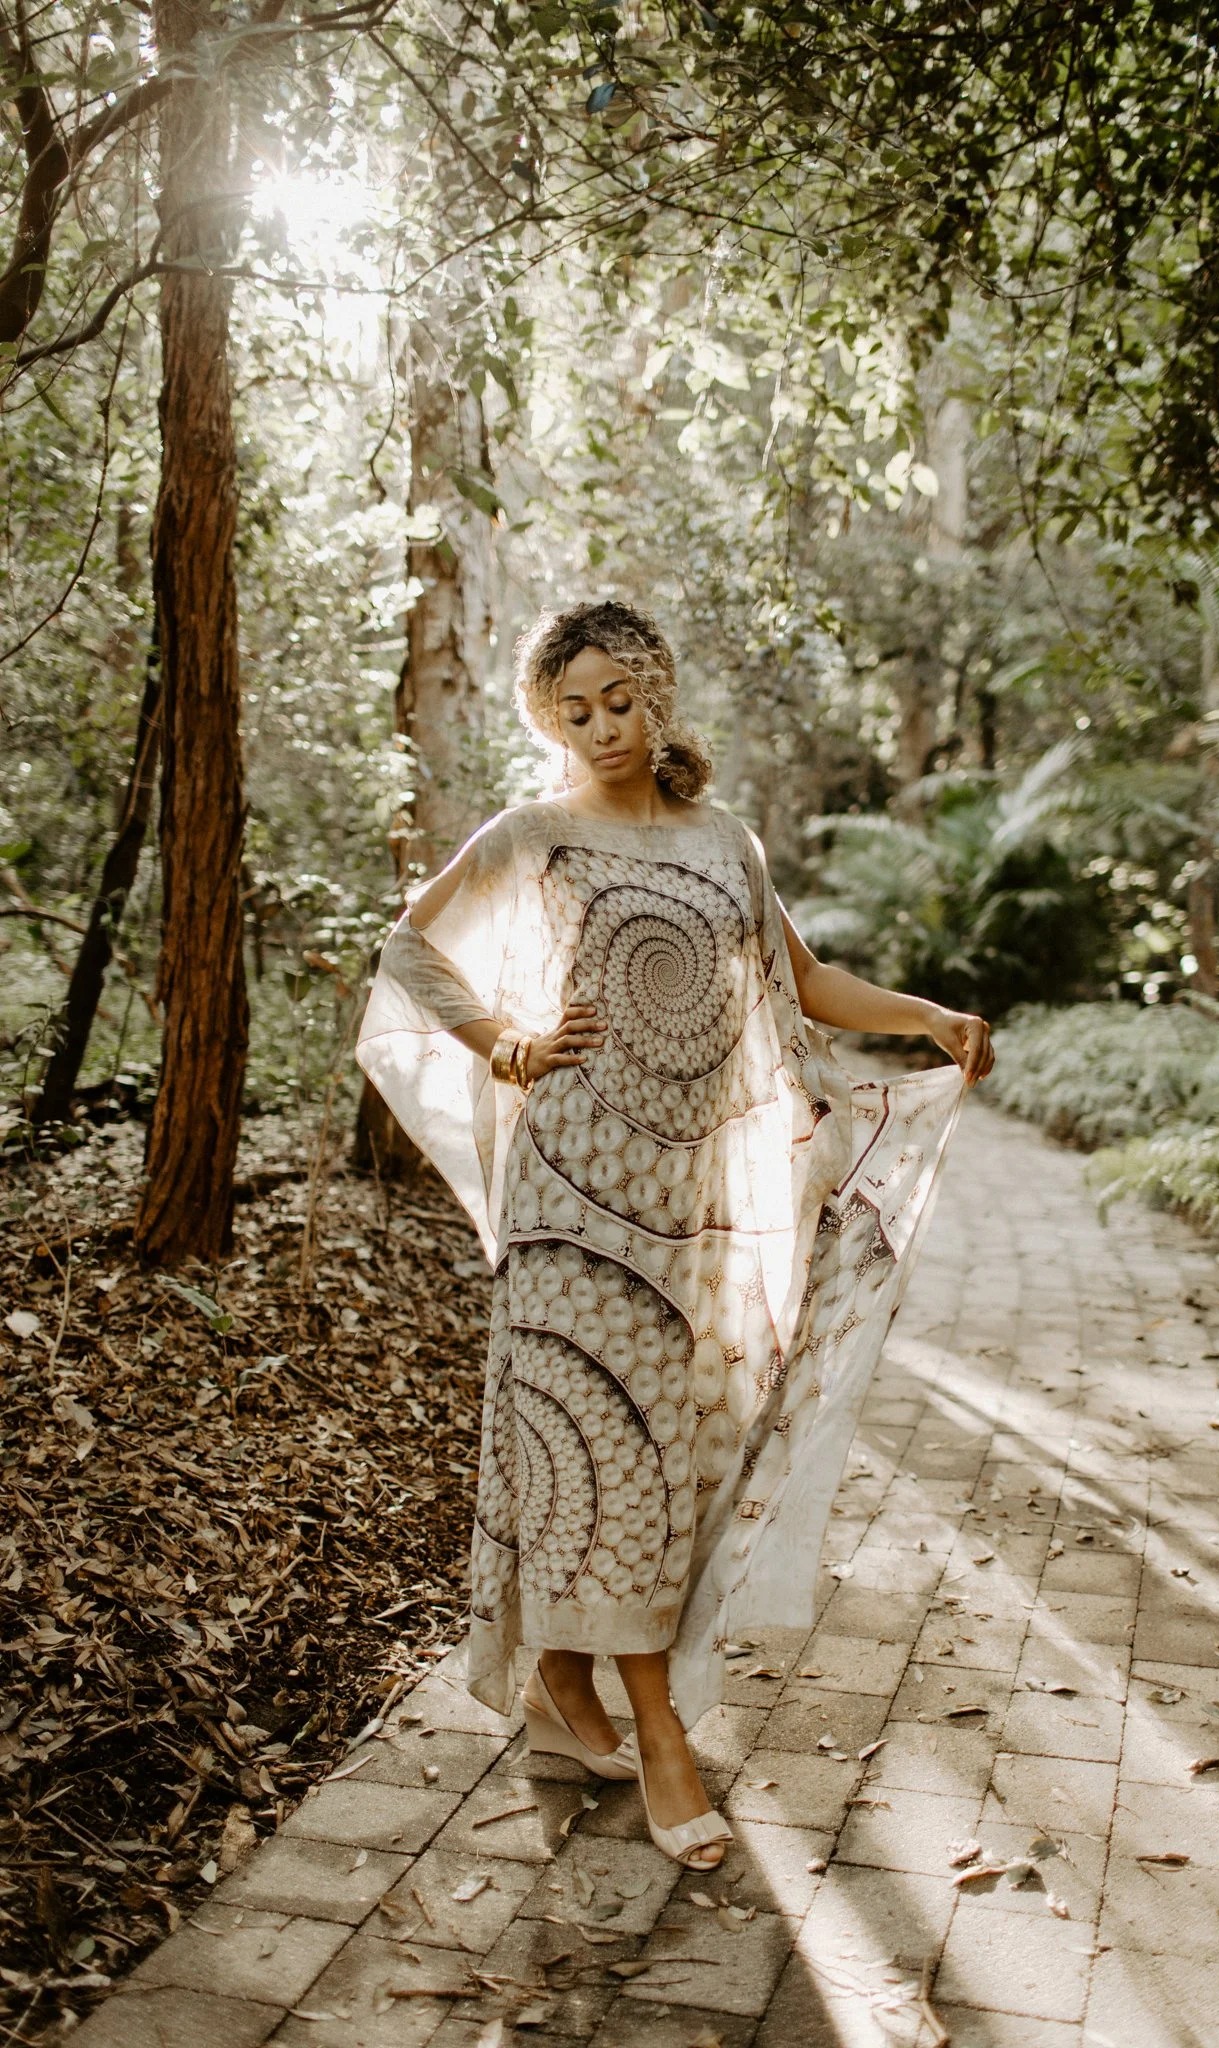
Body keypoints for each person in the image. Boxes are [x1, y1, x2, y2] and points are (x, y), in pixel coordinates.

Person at [356, 599, 993, 1872]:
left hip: (693, 1204)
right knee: (592, 1443)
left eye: (619, 700)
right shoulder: (534, 833)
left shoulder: (725, 841)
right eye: (575, 710)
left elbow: (803, 983)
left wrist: (927, 1016)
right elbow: (408, 947)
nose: (601, 727)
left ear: (657, 696)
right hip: (568, 1195)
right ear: (551, 720)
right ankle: (660, 1735)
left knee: (657, 1452)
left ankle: (564, 1682)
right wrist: (506, 1043)